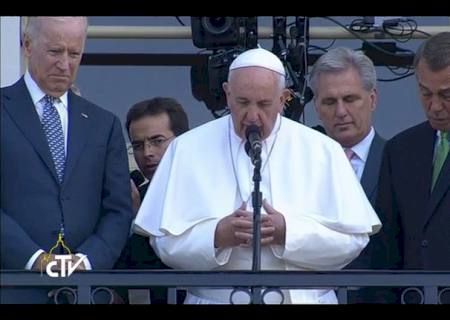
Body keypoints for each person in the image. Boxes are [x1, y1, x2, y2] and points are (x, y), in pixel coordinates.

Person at [134, 47, 381, 304]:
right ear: (228, 94)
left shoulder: (322, 149)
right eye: (242, 103)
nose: (253, 116)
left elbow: (353, 240)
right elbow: (163, 242)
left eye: (263, 104)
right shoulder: (186, 148)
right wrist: (216, 236)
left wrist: (288, 233)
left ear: (283, 98)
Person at [1, 16, 132, 303]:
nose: (65, 64)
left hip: (86, 292)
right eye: (54, 52)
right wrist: (34, 258)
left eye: (74, 54)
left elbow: (118, 209)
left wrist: (86, 261)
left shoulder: (104, 123)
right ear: (27, 45)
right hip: (12, 288)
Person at [310, 47, 386, 302]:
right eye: (330, 102)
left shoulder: (397, 159)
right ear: (317, 107)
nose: (340, 111)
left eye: (350, 99)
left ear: (372, 99)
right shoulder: (302, 163)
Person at [376, 32, 450, 283]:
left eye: (446, 95)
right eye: (426, 93)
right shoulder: (400, 150)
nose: (435, 106)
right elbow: (386, 251)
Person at [115, 97, 189, 304]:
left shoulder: (207, 189)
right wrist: (132, 220)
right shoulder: (138, 195)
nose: (147, 153)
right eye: (138, 145)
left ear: (183, 141)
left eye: (157, 141)